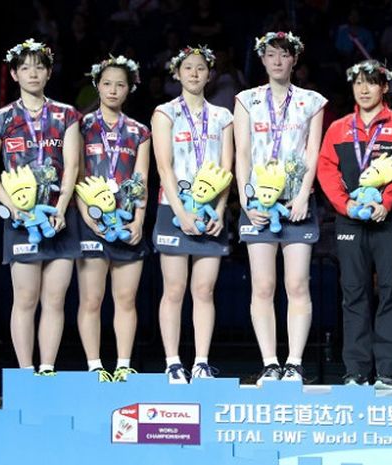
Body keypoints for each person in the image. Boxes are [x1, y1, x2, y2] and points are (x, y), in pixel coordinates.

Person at [317, 59, 392, 389]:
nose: (364, 88)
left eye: (371, 82)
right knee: (354, 293)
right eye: (358, 82)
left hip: (390, 220)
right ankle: (356, 371)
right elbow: (326, 170)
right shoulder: (339, 128)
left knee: (390, 292)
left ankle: (388, 370)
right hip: (350, 221)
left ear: (384, 87)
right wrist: (345, 205)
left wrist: (386, 201)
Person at [234, 32, 326, 385]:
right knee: (262, 285)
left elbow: (312, 151)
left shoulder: (311, 101)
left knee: (297, 283)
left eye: (283, 56)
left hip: (296, 203)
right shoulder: (246, 100)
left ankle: (295, 363)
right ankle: (270, 362)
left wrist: (304, 195)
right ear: (262, 59)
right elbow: (242, 152)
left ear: (294, 60)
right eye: (270, 55)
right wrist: (245, 200)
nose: (276, 61)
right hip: (257, 203)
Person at [0, 39, 81, 375]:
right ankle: (26, 373)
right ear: (13, 74)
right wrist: (12, 208)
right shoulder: (0, 119)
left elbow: (72, 167)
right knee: (25, 299)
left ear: (49, 71)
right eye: (25, 67)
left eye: (39, 66)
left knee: (55, 301)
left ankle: (47, 369)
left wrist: (61, 207)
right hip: (20, 220)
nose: (33, 73)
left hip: (59, 219)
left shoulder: (67, 115)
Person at [151, 45, 234, 383]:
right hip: (173, 210)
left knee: (204, 290)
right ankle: (173, 362)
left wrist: (218, 210)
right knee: (174, 289)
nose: (195, 73)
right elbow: (164, 166)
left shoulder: (223, 117)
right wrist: (182, 212)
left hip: (211, 213)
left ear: (209, 74)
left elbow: (227, 167)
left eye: (201, 68)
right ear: (177, 73)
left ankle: (200, 361)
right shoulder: (164, 113)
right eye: (188, 68)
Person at [76, 55, 150, 382]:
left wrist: (138, 221)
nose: (113, 90)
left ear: (129, 89)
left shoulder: (139, 131)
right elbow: (76, 176)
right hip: (91, 222)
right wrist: (88, 220)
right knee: (92, 298)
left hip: (127, 223)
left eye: (120, 84)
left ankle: (122, 364)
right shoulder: (80, 125)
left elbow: (142, 179)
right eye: (107, 83)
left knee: (125, 298)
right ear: (97, 85)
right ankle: (94, 366)